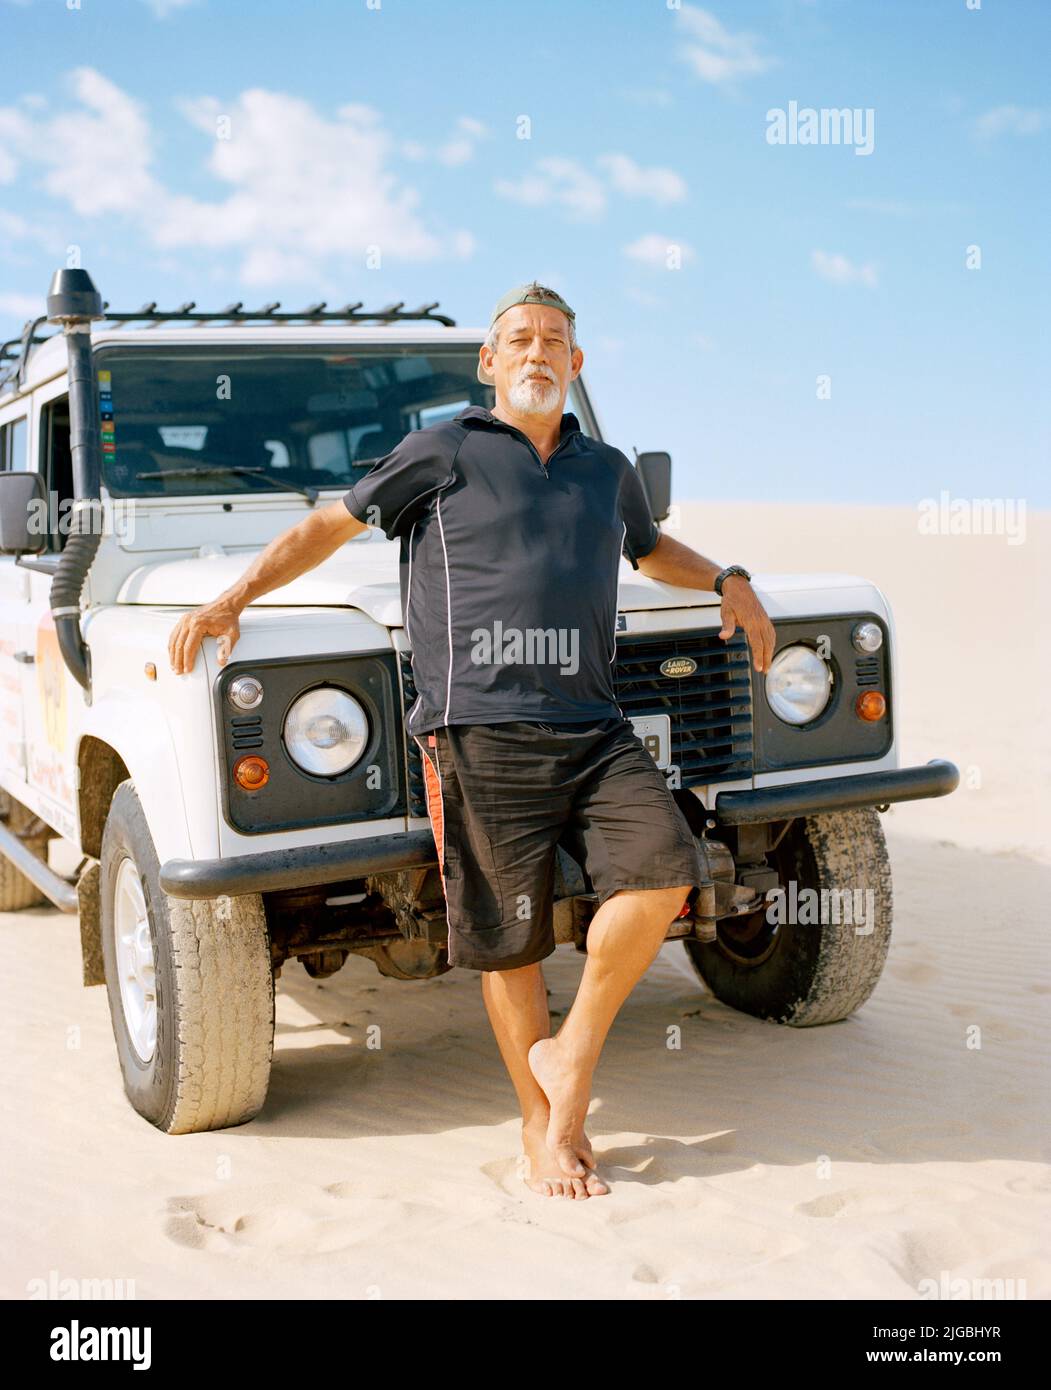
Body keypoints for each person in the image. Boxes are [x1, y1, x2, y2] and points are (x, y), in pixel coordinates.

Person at [168, 280, 776, 1200]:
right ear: (489, 362)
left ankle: (567, 1056)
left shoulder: (603, 468)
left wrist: (728, 577)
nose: (537, 353)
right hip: (476, 728)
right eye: (519, 340)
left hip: (596, 724)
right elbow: (326, 526)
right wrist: (233, 598)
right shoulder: (441, 449)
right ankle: (548, 1132)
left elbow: (648, 550)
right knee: (509, 940)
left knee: (662, 871)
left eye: (554, 340)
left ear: (576, 362)